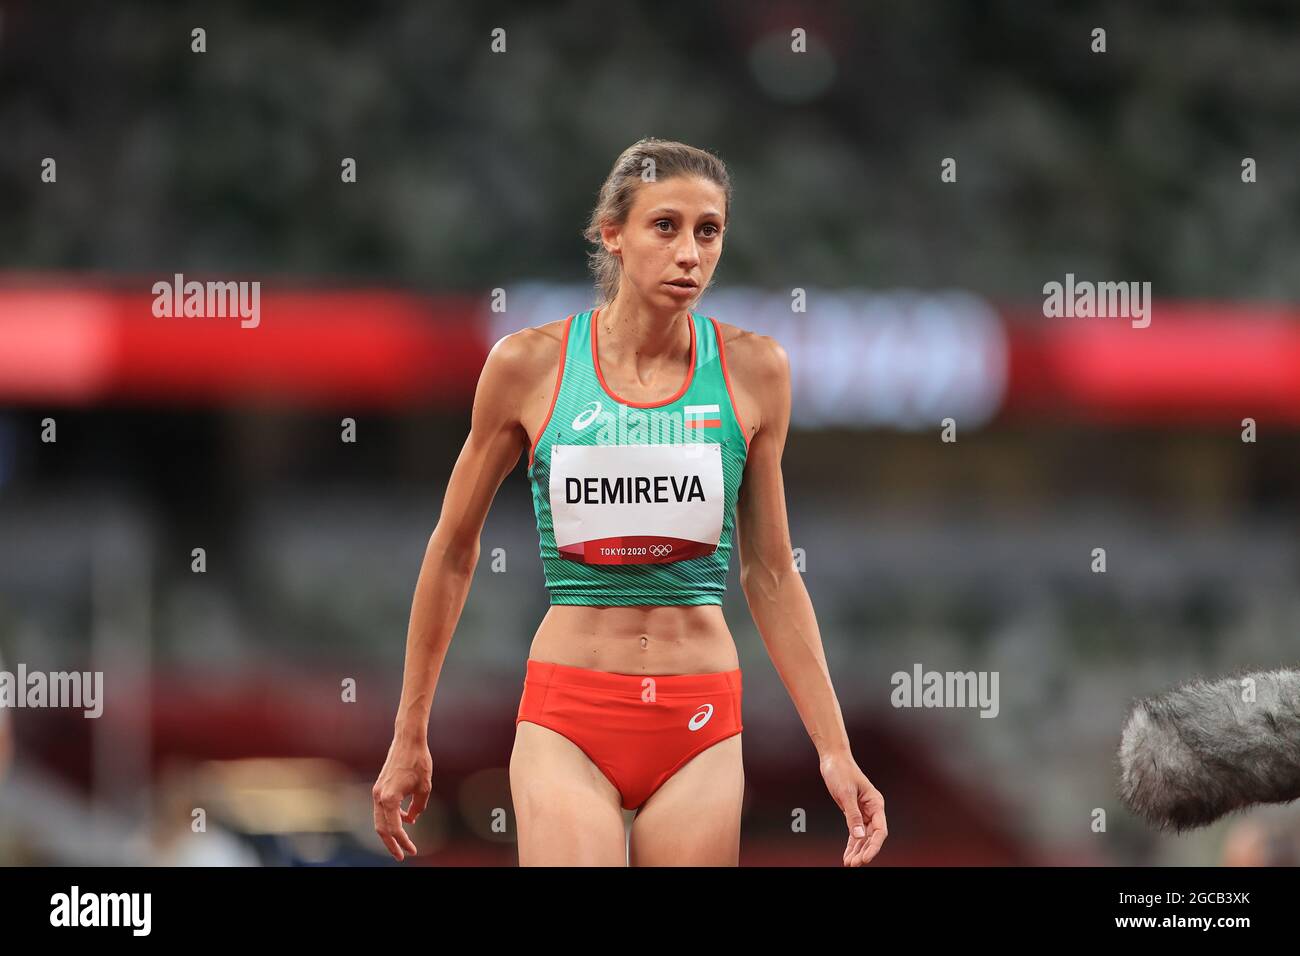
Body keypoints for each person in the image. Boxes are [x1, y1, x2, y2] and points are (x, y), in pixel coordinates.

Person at [373, 137, 886, 866]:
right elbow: (454, 550)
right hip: (569, 717)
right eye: (666, 226)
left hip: (700, 720)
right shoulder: (528, 366)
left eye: (709, 231)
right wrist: (409, 730)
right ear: (612, 234)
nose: (690, 253)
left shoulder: (754, 371)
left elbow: (771, 573)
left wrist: (834, 752)